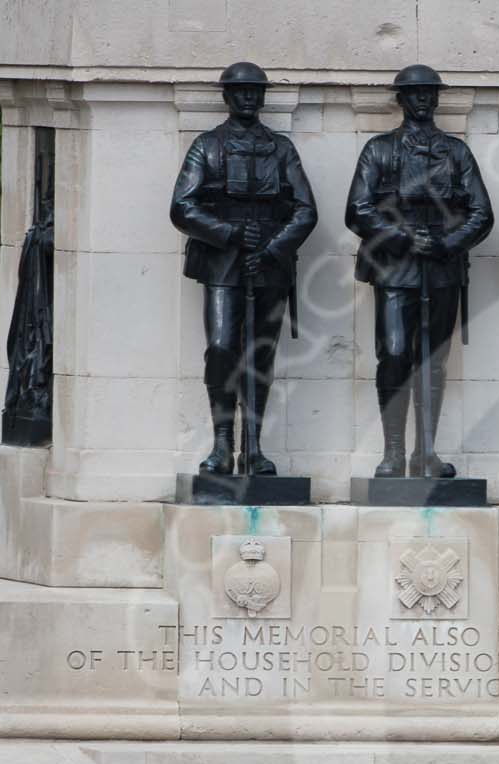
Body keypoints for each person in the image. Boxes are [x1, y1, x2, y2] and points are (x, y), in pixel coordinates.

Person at [345, 64, 495, 478]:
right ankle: (393, 451)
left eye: (430, 93)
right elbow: (357, 209)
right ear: (402, 100)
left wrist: (447, 243)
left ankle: (425, 451)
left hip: (443, 268)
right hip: (394, 268)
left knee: (432, 361)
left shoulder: (456, 152)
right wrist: (405, 238)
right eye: (415, 94)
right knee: (394, 354)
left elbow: (481, 213)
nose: (424, 100)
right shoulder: (379, 149)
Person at [169, 62, 318, 477]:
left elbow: (305, 211)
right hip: (221, 263)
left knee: (260, 352)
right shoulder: (208, 146)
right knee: (221, 348)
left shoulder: (281, 148)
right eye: (241, 91)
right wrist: (231, 234)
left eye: (256, 91)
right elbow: (183, 207)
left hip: (268, 265)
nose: (249, 98)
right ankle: (221, 444)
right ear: (227, 97)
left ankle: (253, 446)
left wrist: (272, 249)